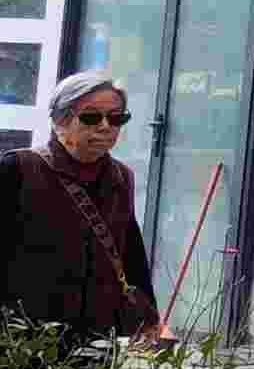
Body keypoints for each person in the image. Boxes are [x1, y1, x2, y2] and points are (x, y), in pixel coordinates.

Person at [0, 70, 163, 342]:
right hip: (24, 335)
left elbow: (130, 252)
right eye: (91, 117)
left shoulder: (121, 177)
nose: (105, 127)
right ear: (60, 121)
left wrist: (150, 318)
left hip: (97, 333)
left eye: (116, 118)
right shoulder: (19, 168)